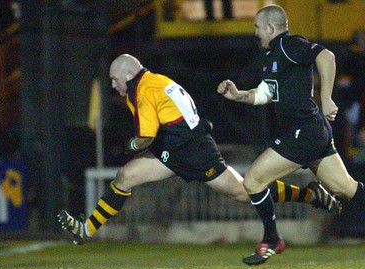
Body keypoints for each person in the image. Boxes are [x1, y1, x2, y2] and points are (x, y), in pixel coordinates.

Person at [57, 54, 340, 245]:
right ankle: (87, 229)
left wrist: (131, 145)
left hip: (192, 150)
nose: (112, 84)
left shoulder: (142, 89)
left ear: (128, 74)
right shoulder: (152, 82)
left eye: (114, 79)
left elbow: (145, 136)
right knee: (125, 176)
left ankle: (311, 194)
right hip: (174, 148)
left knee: (244, 192)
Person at [217, 4, 365, 266]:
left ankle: (272, 239)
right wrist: (238, 95)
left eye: (257, 28)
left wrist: (327, 97)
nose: (255, 33)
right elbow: (264, 94)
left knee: (252, 181)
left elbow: (326, 56)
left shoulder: (288, 45)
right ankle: (306, 204)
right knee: (347, 189)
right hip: (311, 132)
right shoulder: (273, 55)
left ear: (271, 28)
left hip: (303, 132)